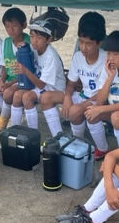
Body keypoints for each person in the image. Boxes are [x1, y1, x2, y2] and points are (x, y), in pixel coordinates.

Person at [44, 12, 108, 159]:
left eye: (88, 43)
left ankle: (101, 149)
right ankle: (66, 140)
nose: (83, 47)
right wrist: (67, 97)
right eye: (81, 41)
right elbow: (71, 84)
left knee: (75, 111)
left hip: (99, 100)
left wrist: (81, 105)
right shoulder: (78, 57)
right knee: (46, 97)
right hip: (83, 96)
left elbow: (103, 93)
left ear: (99, 43)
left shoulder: (106, 59)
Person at [9, 19, 66, 133]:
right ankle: (14, 131)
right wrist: (24, 45)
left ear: (49, 39)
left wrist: (25, 71)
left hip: (54, 89)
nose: (34, 41)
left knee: (27, 97)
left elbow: (41, 85)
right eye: (32, 36)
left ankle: (33, 134)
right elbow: (25, 47)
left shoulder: (51, 56)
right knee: (17, 95)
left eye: (39, 38)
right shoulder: (34, 47)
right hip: (41, 85)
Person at [0, 8, 30, 134]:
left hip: (25, 79)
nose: (10, 30)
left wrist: (8, 84)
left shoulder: (29, 43)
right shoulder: (6, 42)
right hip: (9, 79)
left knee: (8, 94)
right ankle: (9, 117)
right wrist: (2, 81)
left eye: (14, 26)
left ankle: (8, 123)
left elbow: (30, 70)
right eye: (7, 26)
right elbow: (4, 67)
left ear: (24, 25)